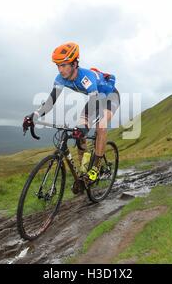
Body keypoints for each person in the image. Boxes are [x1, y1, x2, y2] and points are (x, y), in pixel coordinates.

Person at [23, 42, 120, 194]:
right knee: (78, 130)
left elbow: (94, 100)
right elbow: (50, 101)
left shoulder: (86, 78)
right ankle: (83, 172)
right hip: (94, 100)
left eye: (64, 65)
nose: (60, 70)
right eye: (58, 66)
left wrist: (86, 125)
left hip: (110, 97)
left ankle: (95, 167)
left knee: (101, 125)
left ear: (75, 63)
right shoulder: (60, 79)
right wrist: (34, 115)